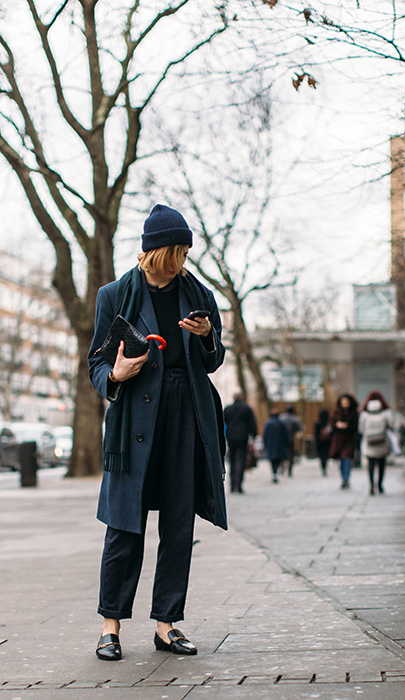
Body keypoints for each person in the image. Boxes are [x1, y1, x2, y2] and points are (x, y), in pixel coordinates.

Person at [88, 204, 227, 661]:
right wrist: (117, 373)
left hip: (186, 415)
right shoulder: (114, 295)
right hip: (133, 422)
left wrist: (207, 336)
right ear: (154, 251)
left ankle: (166, 625)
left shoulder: (199, 295)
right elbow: (96, 363)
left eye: (186, 251)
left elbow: (211, 361)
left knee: (178, 524)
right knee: (124, 527)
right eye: (176, 251)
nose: (182, 259)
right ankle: (110, 627)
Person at [359, 390, 391, 495]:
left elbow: (360, 429)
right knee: (381, 464)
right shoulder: (385, 412)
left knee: (371, 465)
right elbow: (390, 425)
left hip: (369, 442)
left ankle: (372, 486)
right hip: (382, 441)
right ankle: (380, 485)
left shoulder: (364, 413)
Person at [224, 392, 257, 493]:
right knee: (240, 459)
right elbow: (252, 423)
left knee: (232, 459)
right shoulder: (246, 408)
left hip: (230, 436)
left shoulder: (228, 409)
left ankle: (232, 484)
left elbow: (223, 421)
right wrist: (253, 436)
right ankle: (238, 484)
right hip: (242, 436)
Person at [329, 394, 359, 489]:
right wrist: (337, 425)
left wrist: (347, 426)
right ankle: (343, 478)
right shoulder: (336, 412)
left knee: (346, 458)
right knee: (341, 460)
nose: (345, 404)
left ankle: (346, 478)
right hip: (338, 440)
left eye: (346, 402)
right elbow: (332, 424)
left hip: (349, 440)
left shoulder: (354, 413)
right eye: (343, 402)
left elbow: (356, 426)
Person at [263, 410, 289, 483]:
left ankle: (274, 473)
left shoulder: (268, 423)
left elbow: (265, 435)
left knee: (272, 459)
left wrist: (265, 444)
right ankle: (276, 472)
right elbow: (286, 434)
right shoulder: (281, 423)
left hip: (271, 444)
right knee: (278, 459)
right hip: (279, 444)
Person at [279, 405, 303, 476]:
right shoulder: (295, 419)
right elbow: (300, 429)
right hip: (291, 439)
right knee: (291, 455)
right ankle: (289, 470)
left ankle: (282, 467)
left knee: (282, 454)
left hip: (282, 439)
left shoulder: (281, 418)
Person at [314, 408, 332, 476]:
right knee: (326, 456)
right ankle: (325, 467)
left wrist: (316, 443)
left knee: (322, 457)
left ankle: (323, 468)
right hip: (327, 442)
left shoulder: (318, 423)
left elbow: (316, 434)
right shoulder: (328, 423)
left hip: (320, 443)